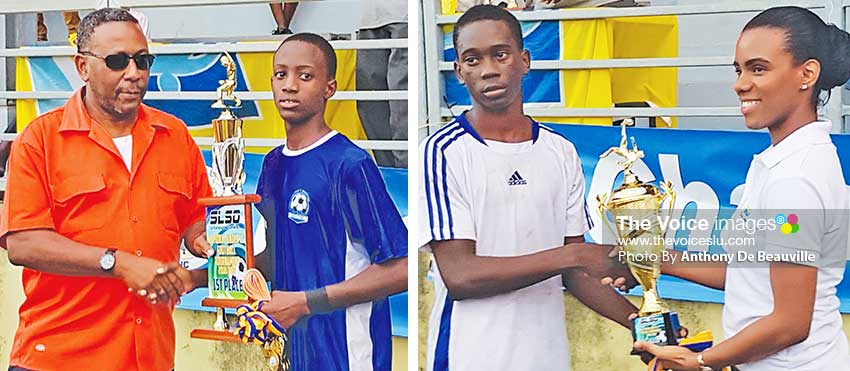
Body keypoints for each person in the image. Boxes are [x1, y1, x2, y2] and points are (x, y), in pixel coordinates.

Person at [610, 6, 850, 371]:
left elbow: (790, 323)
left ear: (807, 73)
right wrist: (656, 260)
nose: (740, 84)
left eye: (759, 68)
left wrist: (701, 360)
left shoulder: (795, 180)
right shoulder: (779, 162)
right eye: (739, 70)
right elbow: (748, 272)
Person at [419, 5, 637, 370]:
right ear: (458, 72)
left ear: (525, 60)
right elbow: (460, 275)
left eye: (500, 54)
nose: (488, 69)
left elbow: (575, 274)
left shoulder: (560, 151)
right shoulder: (443, 151)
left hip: (547, 357)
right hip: (469, 357)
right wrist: (577, 256)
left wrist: (641, 324)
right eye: (472, 60)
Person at [0, 8, 212, 371]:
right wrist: (117, 262)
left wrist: (212, 253)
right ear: (82, 67)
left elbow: (197, 224)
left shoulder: (175, 137)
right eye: (117, 61)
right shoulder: (40, 140)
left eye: (143, 60)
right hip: (59, 358)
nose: (133, 74)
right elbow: (23, 243)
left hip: (151, 358)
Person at [254, 33, 408, 370]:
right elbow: (279, 256)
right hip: (295, 352)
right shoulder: (273, 164)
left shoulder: (350, 165)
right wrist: (209, 274)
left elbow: (401, 269)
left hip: (348, 355)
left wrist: (307, 303)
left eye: (305, 76)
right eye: (281, 75)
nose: (290, 86)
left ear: (330, 87)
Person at [356, 0, 408, 168]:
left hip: (405, 17)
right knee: (371, 105)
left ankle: (405, 177)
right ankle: (391, 177)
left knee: (402, 107)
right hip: (370, 18)